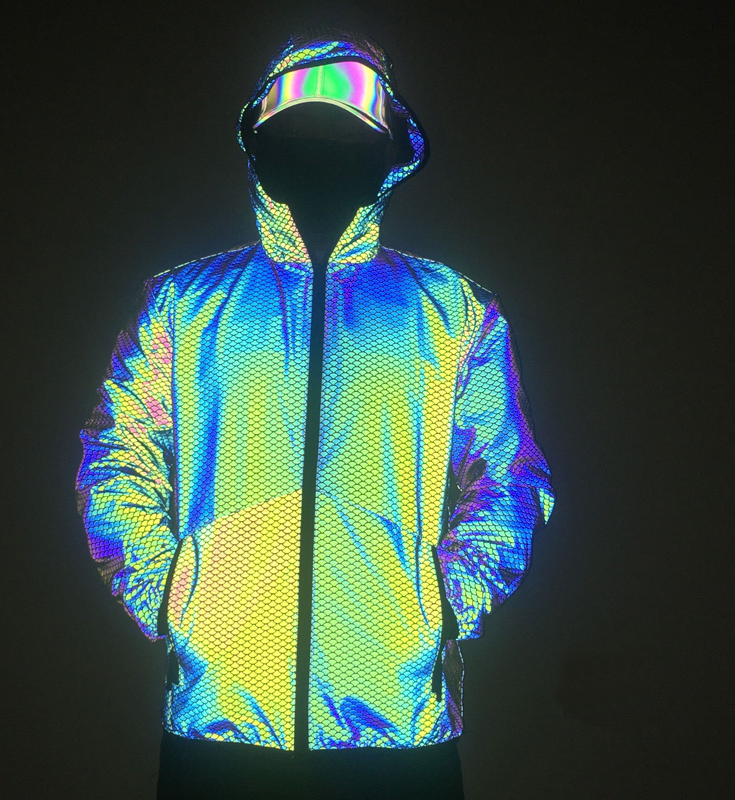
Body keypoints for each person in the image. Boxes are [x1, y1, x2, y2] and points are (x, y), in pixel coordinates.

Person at [76, 28, 555, 800]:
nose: (323, 153)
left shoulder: (454, 312)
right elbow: (116, 456)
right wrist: (169, 596)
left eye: (346, 136)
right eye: (299, 134)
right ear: (259, 144)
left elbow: (509, 477)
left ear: (386, 149)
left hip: (396, 725)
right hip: (219, 719)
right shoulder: (182, 306)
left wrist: (441, 605)